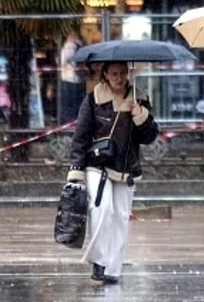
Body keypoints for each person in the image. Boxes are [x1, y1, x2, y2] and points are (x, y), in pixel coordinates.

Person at [66, 62, 159, 285]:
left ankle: (113, 269)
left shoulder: (139, 98)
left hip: (127, 166)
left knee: (120, 217)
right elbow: (80, 137)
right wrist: (76, 169)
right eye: (114, 74)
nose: (118, 78)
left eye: (122, 74)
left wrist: (140, 115)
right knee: (102, 209)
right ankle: (99, 260)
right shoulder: (93, 100)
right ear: (105, 75)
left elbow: (149, 137)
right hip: (97, 164)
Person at [59, 29, 86, 123]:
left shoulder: (68, 46)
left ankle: (68, 126)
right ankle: (78, 123)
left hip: (69, 78)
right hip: (80, 78)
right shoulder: (80, 45)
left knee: (68, 105)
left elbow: (62, 62)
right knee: (78, 104)